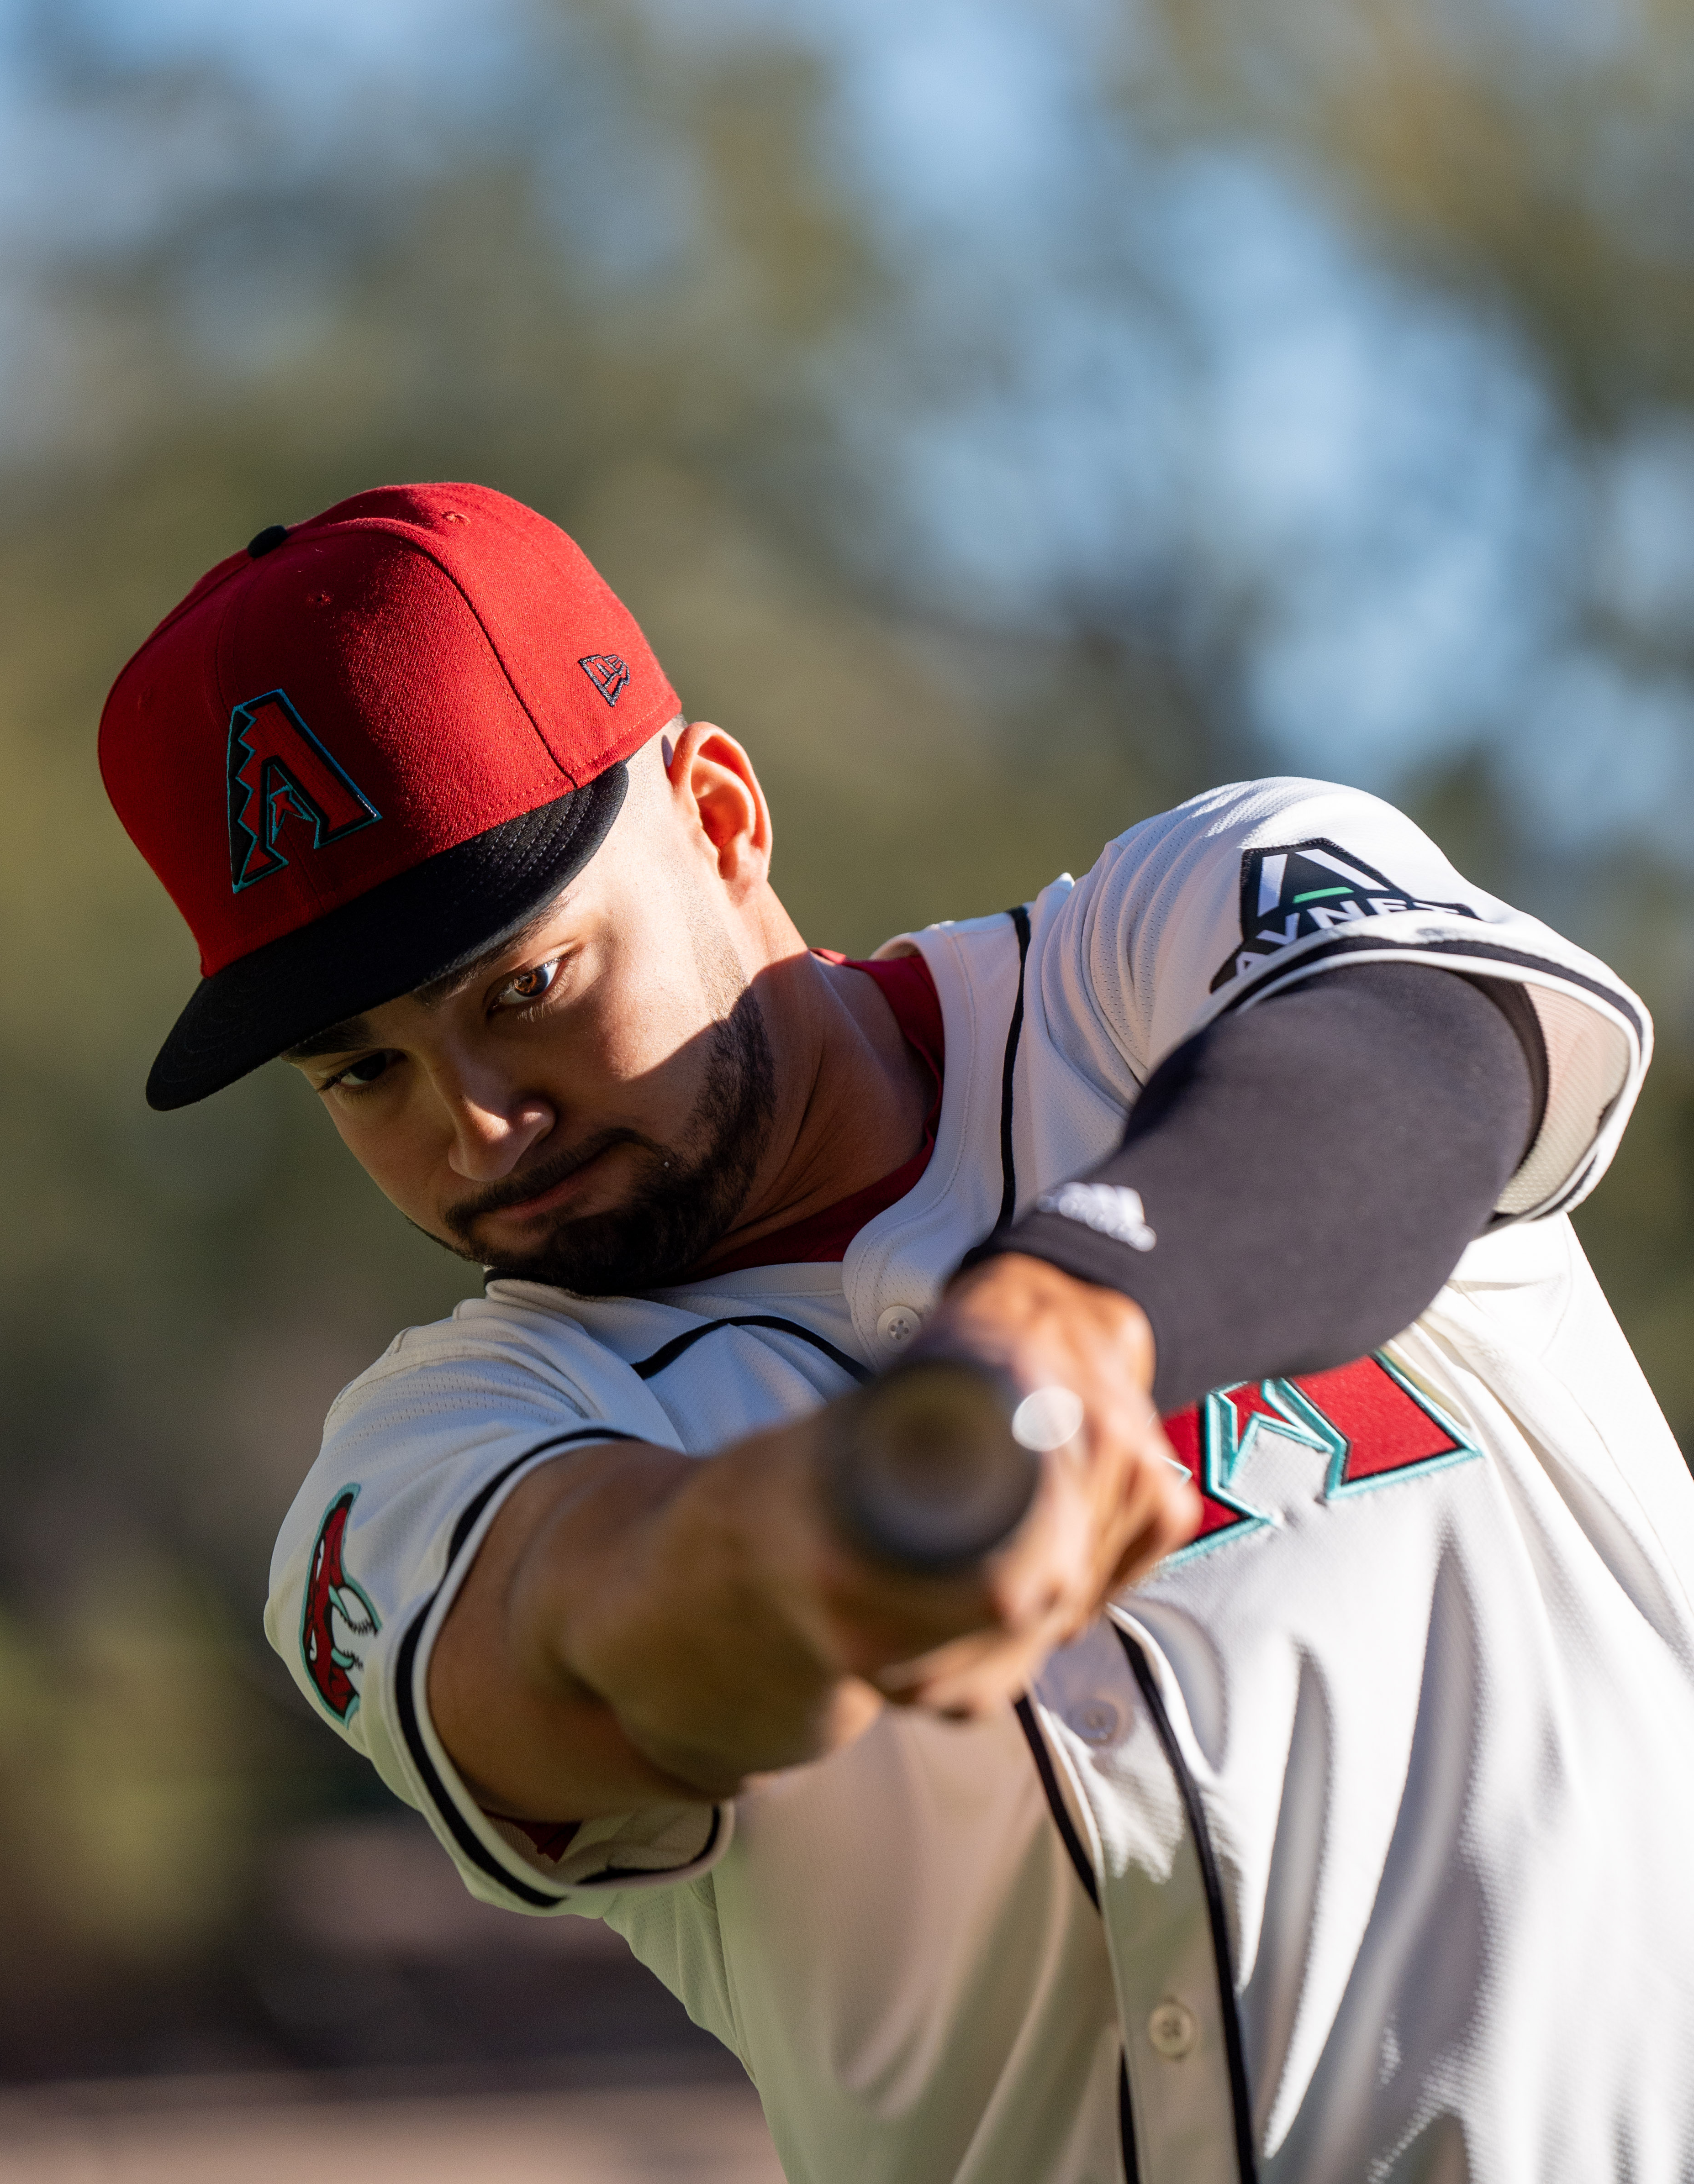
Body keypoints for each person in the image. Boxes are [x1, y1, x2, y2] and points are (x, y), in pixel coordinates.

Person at [100, 481, 1694, 2183]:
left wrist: (1071, 1315)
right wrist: (805, 1551)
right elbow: (582, 1640)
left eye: (524, 988)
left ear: (718, 816)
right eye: (365, 1071)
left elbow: (1412, 1075)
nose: (477, 1124)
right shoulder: (447, 1438)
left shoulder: (1162, 953)